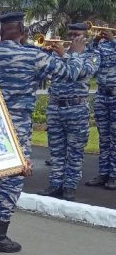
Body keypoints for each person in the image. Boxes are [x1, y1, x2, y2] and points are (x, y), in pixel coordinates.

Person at [0, 11, 94, 253]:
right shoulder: (32, 55)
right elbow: (70, 73)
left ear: (2, 31)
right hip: (17, 128)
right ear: (22, 31)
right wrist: (75, 53)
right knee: (12, 180)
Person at [37, 23, 97, 201]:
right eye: (70, 34)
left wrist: (68, 55)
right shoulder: (58, 53)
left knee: (75, 151)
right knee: (56, 150)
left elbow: (83, 73)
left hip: (76, 109)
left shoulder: (92, 54)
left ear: (85, 37)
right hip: (56, 107)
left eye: (76, 34)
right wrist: (51, 53)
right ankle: (55, 184)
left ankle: (70, 186)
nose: (72, 38)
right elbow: (48, 73)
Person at [85, 25, 116, 190]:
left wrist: (113, 40)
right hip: (102, 95)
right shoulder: (102, 47)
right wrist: (96, 40)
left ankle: (114, 175)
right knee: (104, 137)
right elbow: (88, 55)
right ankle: (103, 173)